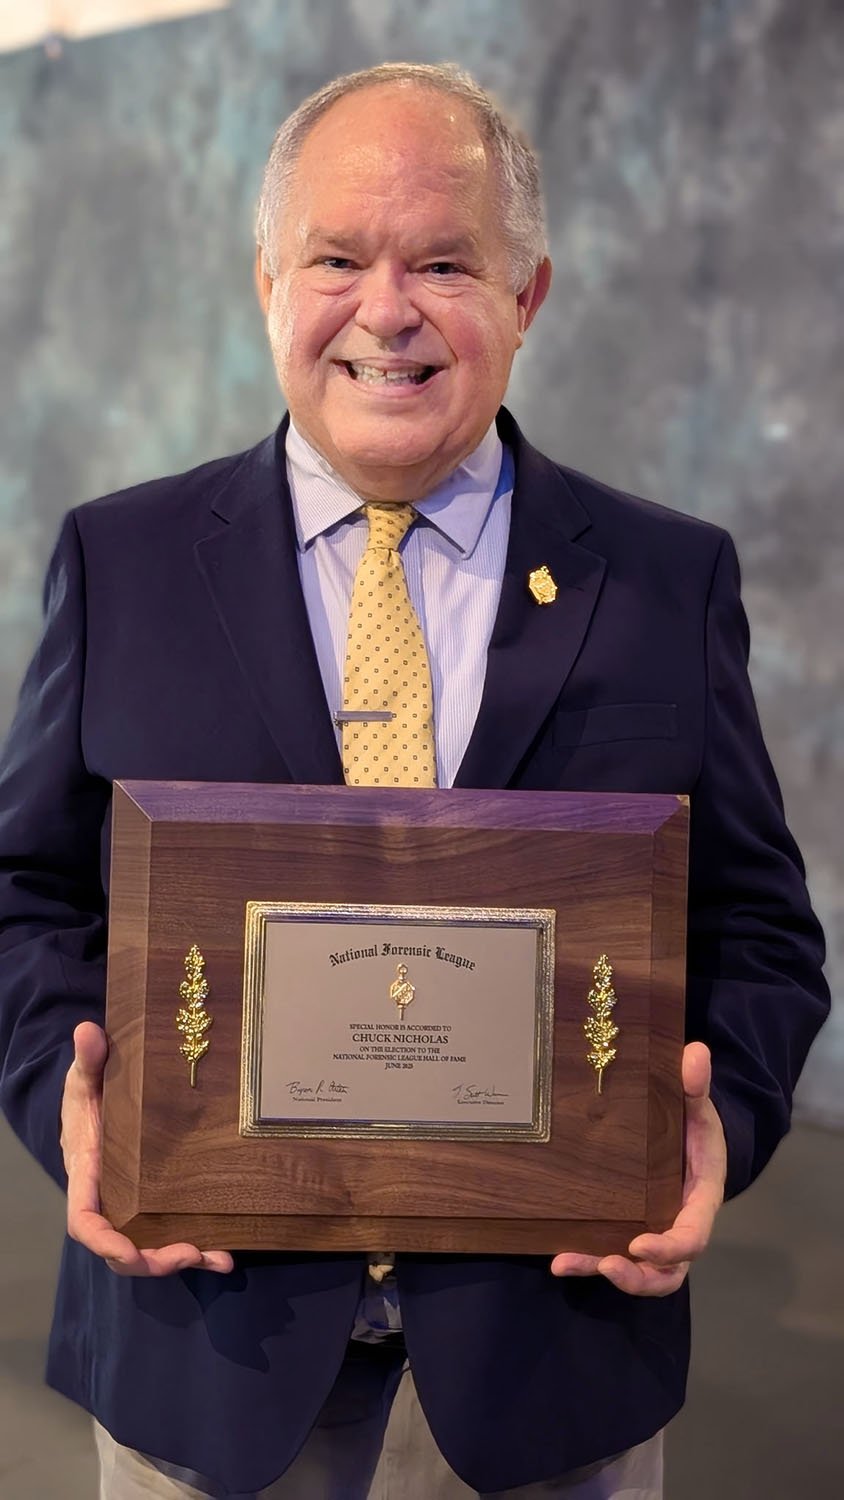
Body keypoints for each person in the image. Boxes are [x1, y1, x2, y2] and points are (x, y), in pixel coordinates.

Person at [0, 61, 829, 1500]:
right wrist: (62, 1098)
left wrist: (724, 1122)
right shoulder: (120, 563)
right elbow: (25, 898)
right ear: (269, 281)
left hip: (550, 1364)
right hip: (207, 1356)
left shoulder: (666, 580)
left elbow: (760, 932)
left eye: (444, 260)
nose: (386, 311)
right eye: (338, 258)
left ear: (530, 295)